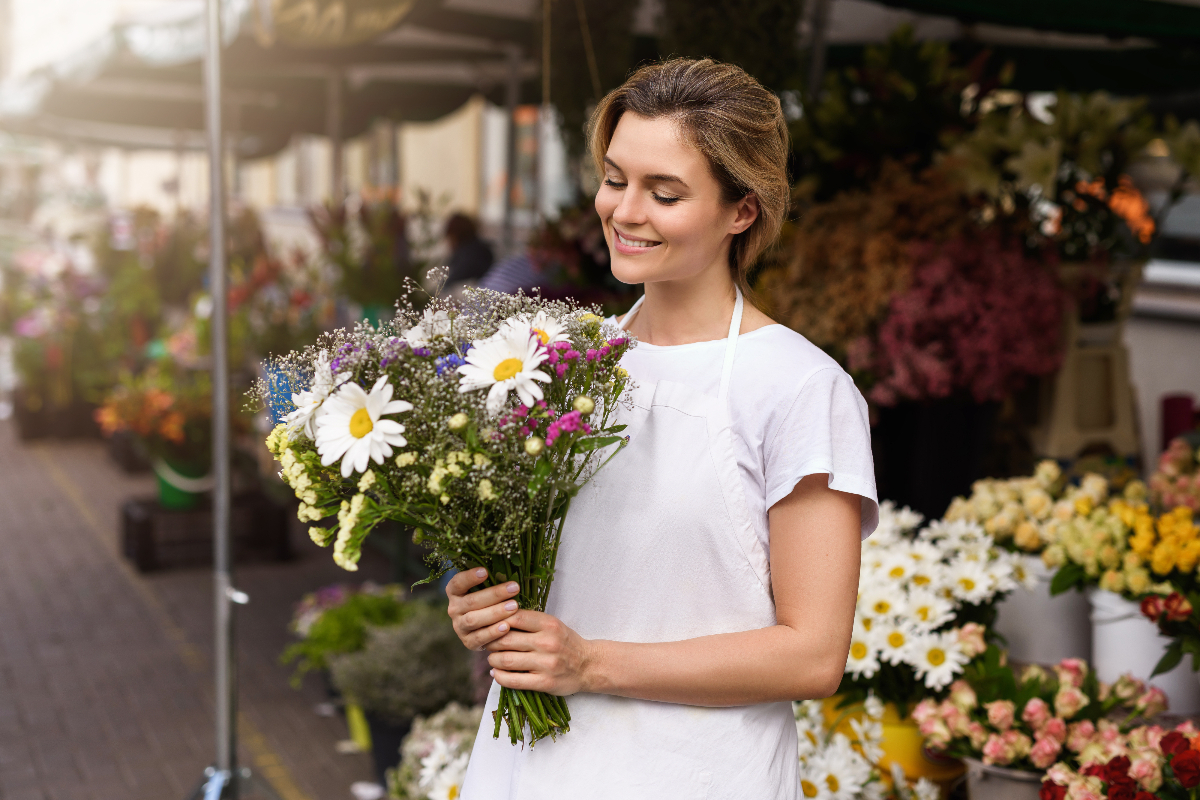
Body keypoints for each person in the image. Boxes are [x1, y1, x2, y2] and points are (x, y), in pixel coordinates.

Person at [450, 58, 877, 799]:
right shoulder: (564, 366)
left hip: (693, 774)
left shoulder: (801, 388)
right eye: (615, 179)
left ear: (742, 210)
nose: (624, 211)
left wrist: (590, 664)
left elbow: (812, 656)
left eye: (665, 192)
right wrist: (487, 608)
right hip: (531, 766)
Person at [444, 212, 495, 285]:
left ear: (454, 236)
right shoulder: (481, 250)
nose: (448, 243)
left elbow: (450, 282)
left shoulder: (468, 255)